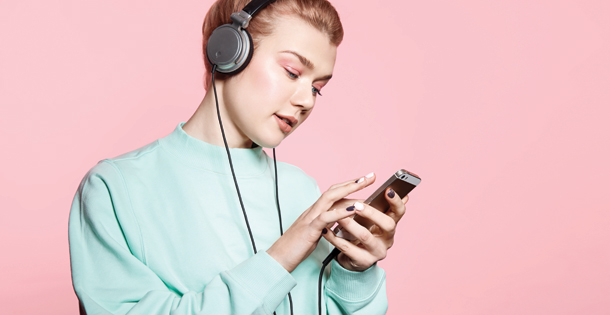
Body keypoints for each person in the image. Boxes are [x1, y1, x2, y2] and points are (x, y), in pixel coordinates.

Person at [68, 0, 410, 314]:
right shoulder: (115, 188)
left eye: (317, 88)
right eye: (292, 72)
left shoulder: (301, 189)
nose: (306, 100)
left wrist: (354, 272)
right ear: (230, 51)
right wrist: (283, 254)